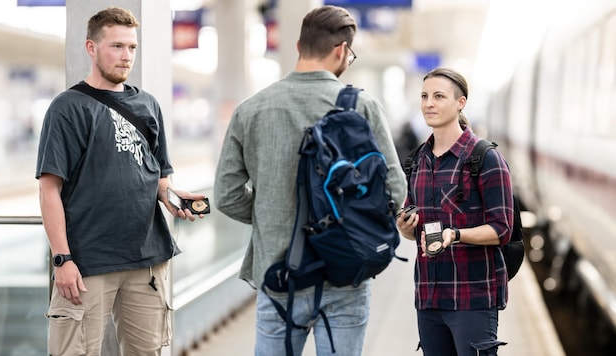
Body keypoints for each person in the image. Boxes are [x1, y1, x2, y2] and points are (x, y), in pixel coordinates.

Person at [213, 5, 406, 356]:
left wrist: (270, 214)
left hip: (279, 273)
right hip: (347, 271)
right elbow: (396, 190)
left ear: (299, 46)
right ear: (342, 51)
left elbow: (225, 195)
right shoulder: (361, 106)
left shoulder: (251, 109)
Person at [35, 7, 206, 355]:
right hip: (87, 263)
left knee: (149, 351)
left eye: (131, 47)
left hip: (148, 260)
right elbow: (48, 188)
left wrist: (174, 198)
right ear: (91, 48)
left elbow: (159, 175)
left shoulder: (148, 105)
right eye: (116, 46)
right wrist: (61, 259)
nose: (126, 56)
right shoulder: (67, 107)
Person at [396, 67, 513, 355]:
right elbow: (416, 230)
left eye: (438, 96)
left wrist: (456, 234)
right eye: (424, 96)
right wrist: (406, 229)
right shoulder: (417, 161)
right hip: (429, 297)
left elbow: (502, 229)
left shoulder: (485, 158)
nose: (428, 103)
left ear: (460, 102)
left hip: (472, 299)